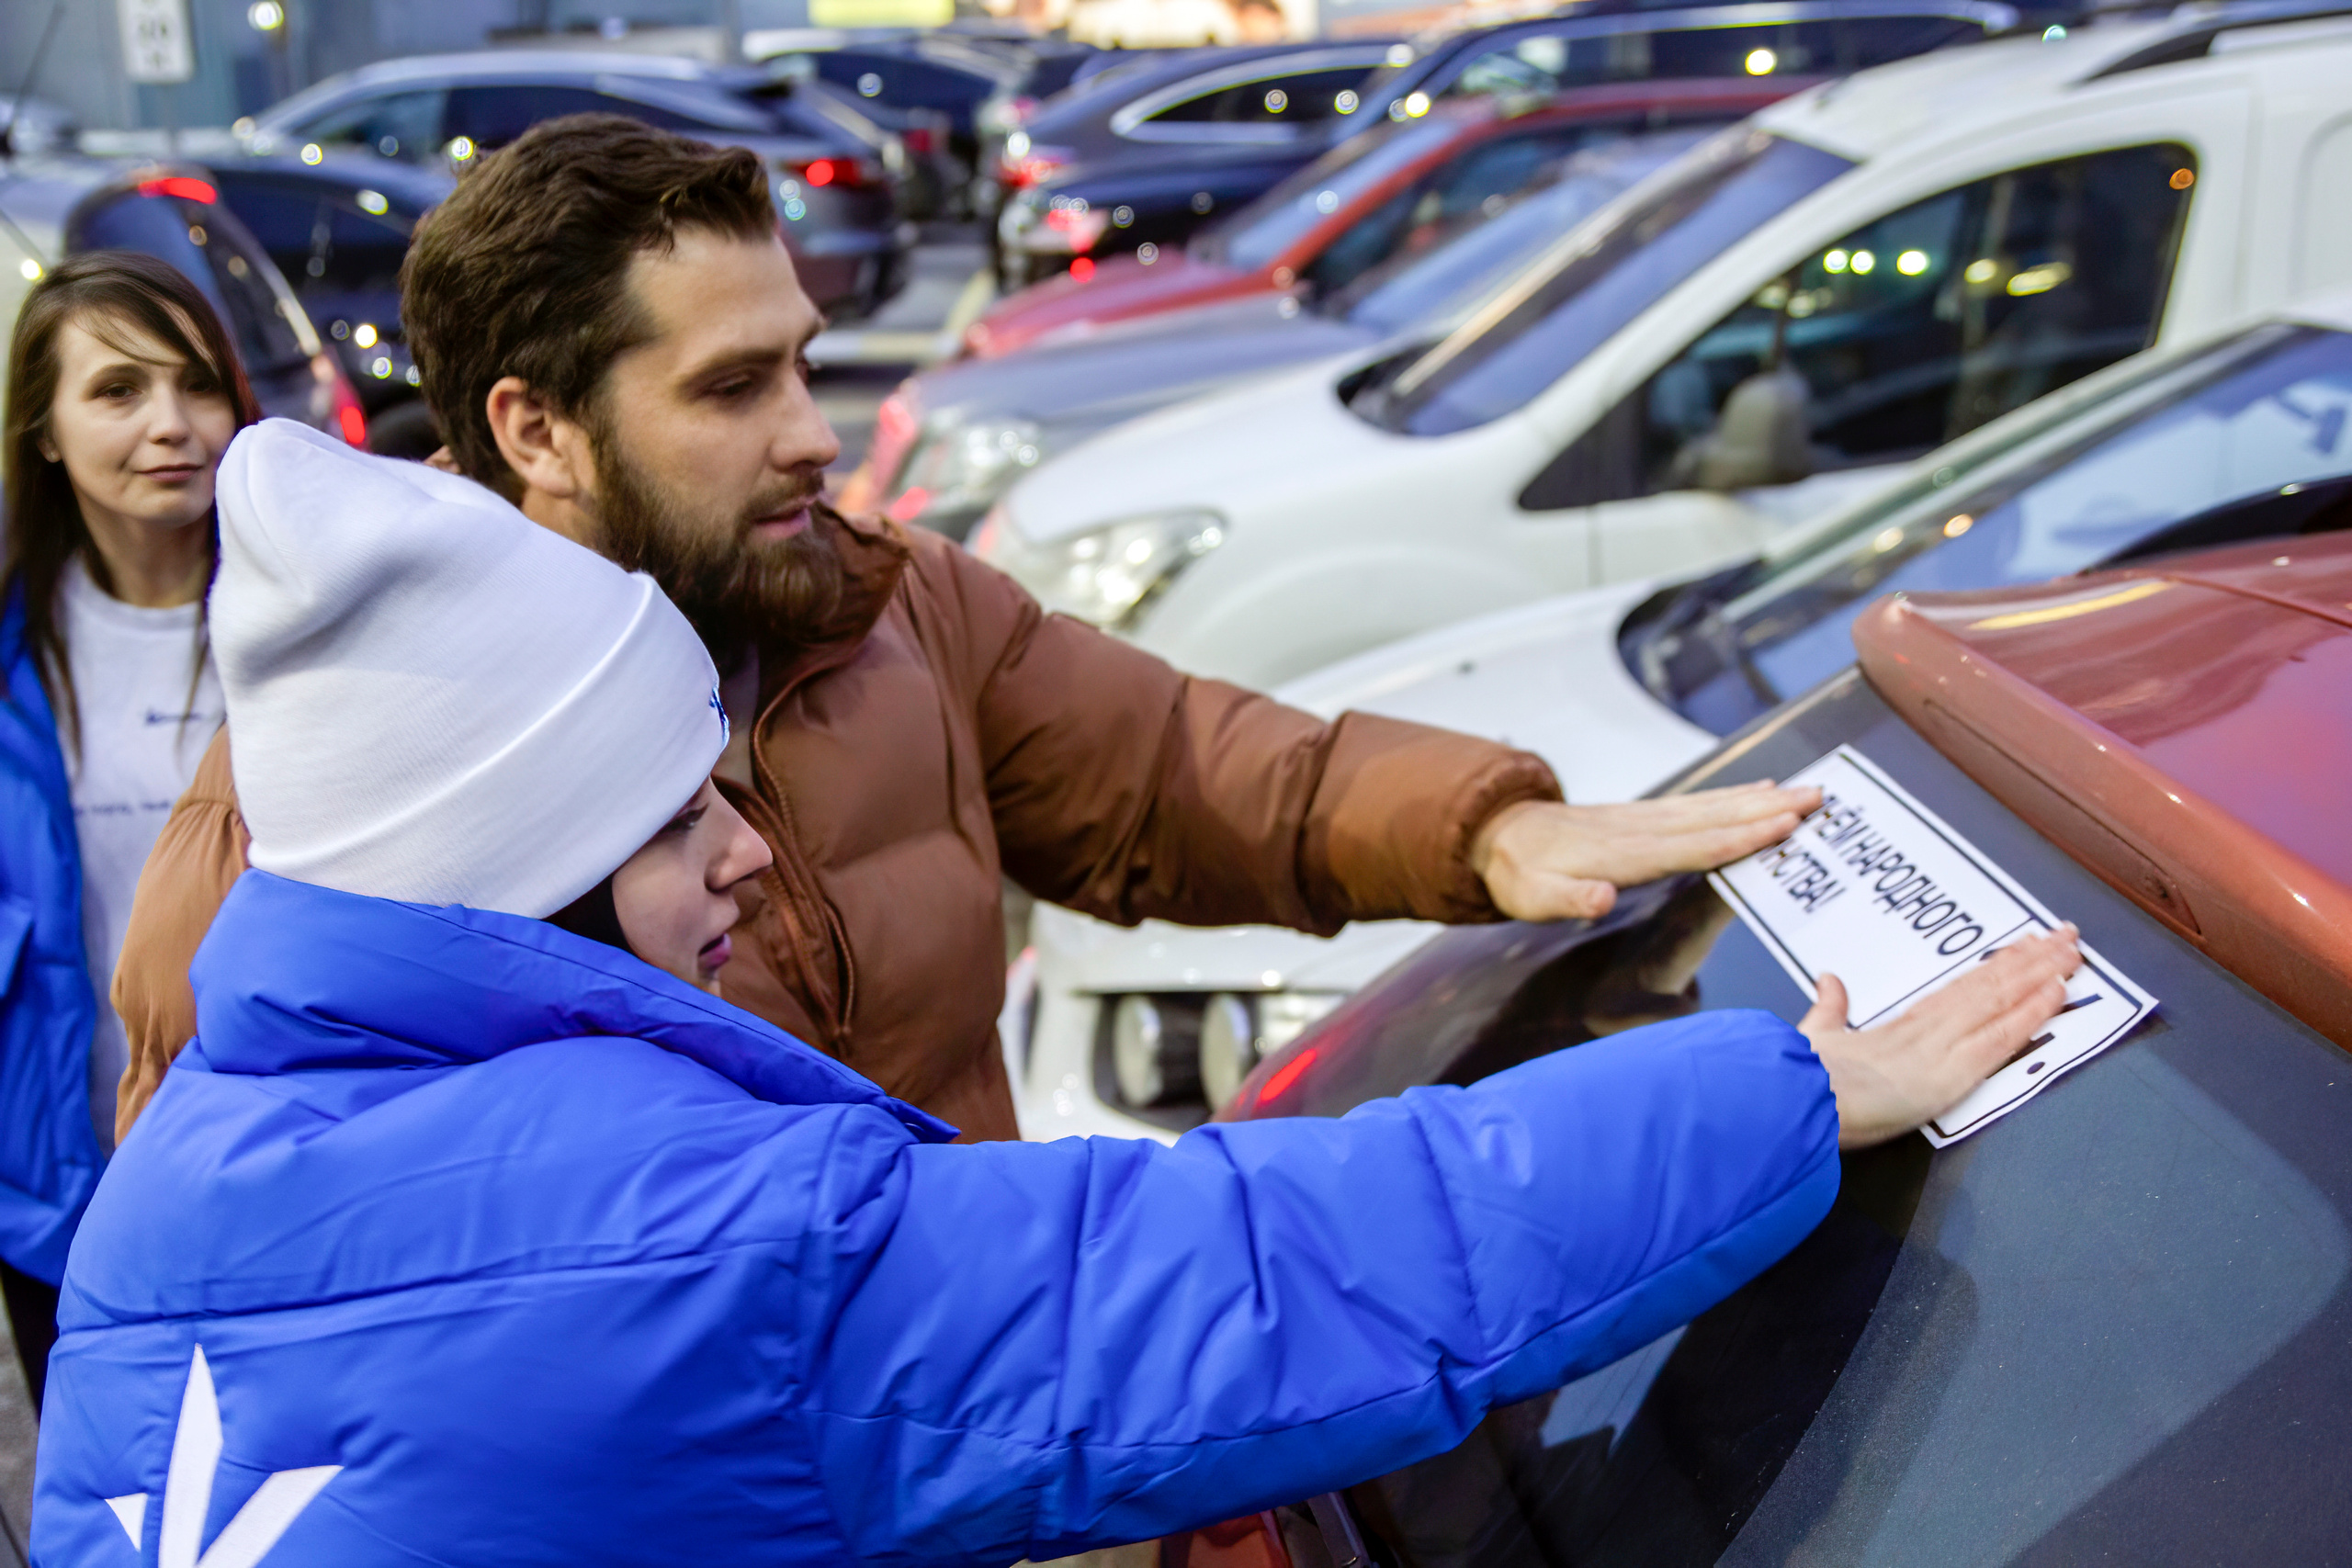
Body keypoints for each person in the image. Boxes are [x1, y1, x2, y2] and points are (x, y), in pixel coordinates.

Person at [34, 421, 2081, 1563]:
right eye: (670, 825)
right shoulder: (683, 1246)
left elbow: (1168, 765)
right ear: (523, 883)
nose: (746, 850)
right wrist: (1777, 1092)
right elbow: (1253, 1272)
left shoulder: (167, 1200)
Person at [107, 115, 1821, 1149]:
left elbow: (1190, 773)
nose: (815, 430)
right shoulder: (328, 815)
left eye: (801, 358)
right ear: (536, 430)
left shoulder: (890, 603)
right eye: (731, 386)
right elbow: (260, 1304)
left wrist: (1486, 824)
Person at [0, 252, 255, 1406]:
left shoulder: (305, 612)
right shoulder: (11, 649)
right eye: (117, 391)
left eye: (197, 384)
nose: (172, 425)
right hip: (66, 1190)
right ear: (43, 430)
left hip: (290, 1170)